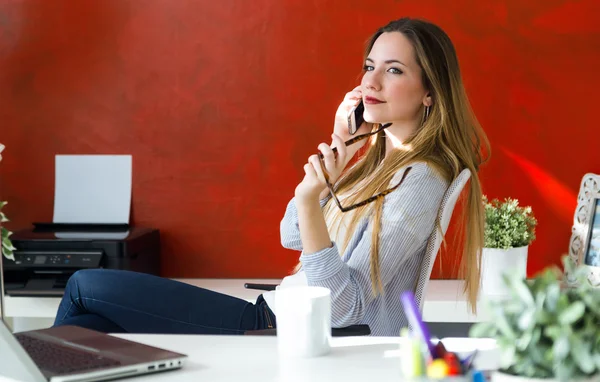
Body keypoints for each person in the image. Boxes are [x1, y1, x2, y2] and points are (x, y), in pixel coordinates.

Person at [53, 17, 490, 336]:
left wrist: (309, 197)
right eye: (369, 65)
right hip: (276, 314)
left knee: (83, 285)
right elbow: (292, 234)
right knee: (90, 326)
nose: (370, 81)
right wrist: (340, 143)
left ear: (430, 91)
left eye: (393, 70)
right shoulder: (379, 159)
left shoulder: (420, 180)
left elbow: (342, 309)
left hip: (281, 327)